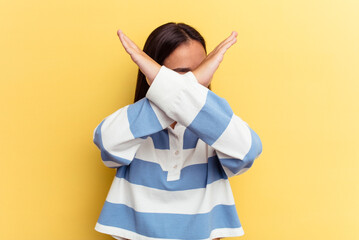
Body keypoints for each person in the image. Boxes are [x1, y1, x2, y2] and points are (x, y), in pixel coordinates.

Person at [93, 22, 263, 240]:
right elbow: (106, 143)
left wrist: (179, 94)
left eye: (201, 72)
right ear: (150, 76)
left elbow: (248, 151)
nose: (193, 86)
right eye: (181, 76)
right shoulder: (135, 121)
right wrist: (169, 96)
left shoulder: (216, 124)